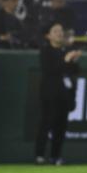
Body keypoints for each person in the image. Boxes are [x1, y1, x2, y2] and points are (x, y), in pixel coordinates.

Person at [35, 21, 81, 165]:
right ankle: (40, 155)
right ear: (48, 36)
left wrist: (73, 61)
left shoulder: (64, 50)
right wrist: (67, 61)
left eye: (61, 30)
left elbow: (74, 71)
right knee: (47, 123)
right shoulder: (46, 51)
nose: (60, 33)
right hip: (50, 93)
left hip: (64, 94)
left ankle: (56, 156)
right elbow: (51, 70)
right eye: (55, 31)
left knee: (61, 127)